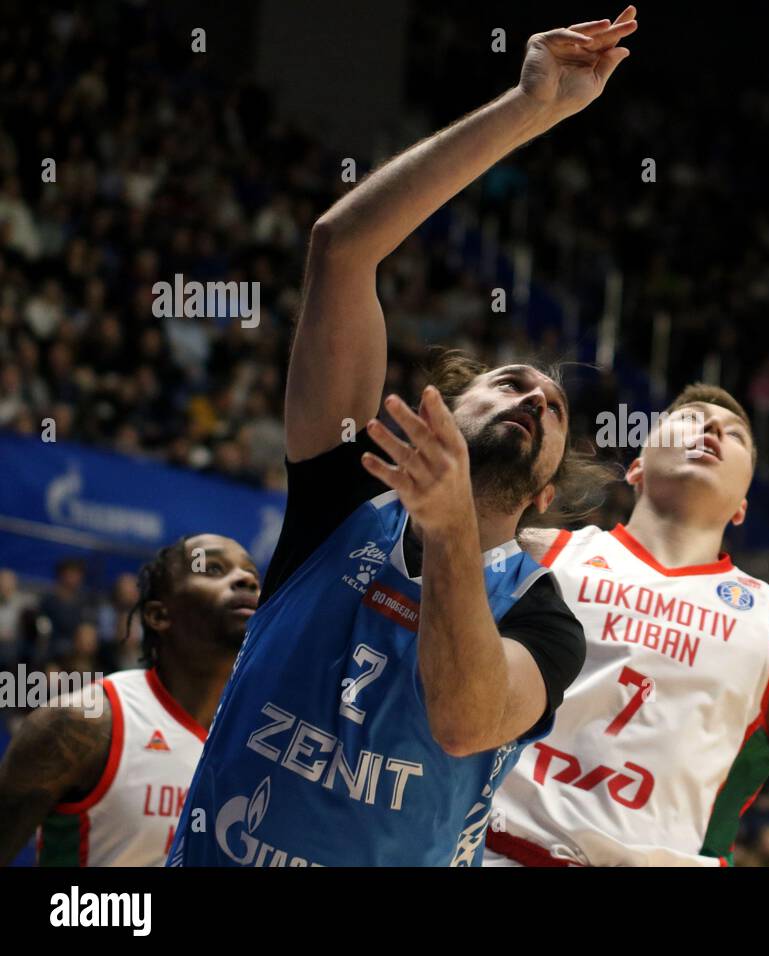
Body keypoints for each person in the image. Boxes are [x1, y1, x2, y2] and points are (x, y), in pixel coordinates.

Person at [168, 9, 636, 867]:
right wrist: (530, 107)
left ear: (541, 496)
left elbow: (464, 721)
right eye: (506, 380)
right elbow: (341, 249)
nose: (534, 388)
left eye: (554, 409)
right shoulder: (342, 490)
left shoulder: (543, 615)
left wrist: (454, 523)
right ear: (440, 413)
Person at [486, 385, 769, 865]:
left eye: (737, 434)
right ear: (637, 467)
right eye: (691, 418)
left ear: (742, 504)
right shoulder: (538, 551)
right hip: (493, 848)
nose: (713, 428)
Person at [0, 534, 259, 866]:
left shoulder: (263, 739)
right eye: (212, 569)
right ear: (157, 616)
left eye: (252, 573)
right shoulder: (84, 722)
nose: (247, 579)